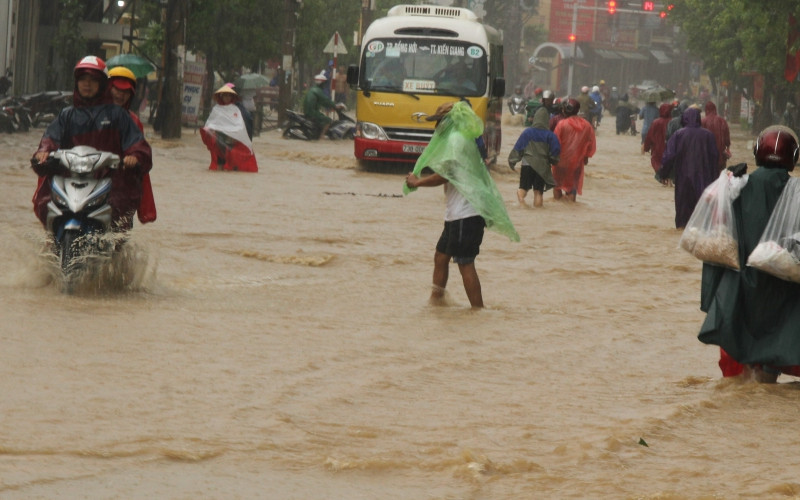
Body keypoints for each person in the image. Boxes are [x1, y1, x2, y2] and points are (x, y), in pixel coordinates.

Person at [697, 125, 800, 383]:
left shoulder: (737, 185)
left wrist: (726, 183)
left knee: (741, 372)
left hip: (741, 286)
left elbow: (716, 233)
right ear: (794, 156)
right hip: (783, 290)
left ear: (756, 152)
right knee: (771, 359)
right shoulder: (796, 192)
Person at [404, 101, 519, 308]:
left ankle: (477, 310)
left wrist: (417, 182)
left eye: (438, 122)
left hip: (465, 213)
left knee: (465, 263)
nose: (436, 126)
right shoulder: (461, 138)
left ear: (447, 122)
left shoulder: (456, 140)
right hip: (458, 213)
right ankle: (436, 301)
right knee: (441, 256)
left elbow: (444, 176)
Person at [32, 55, 152, 232]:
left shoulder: (118, 115)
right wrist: (43, 152)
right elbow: (50, 139)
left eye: (92, 80)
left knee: (118, 214)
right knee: (47, 205)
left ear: (102, 84)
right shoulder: (67, 115)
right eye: (83, 79)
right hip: (70, 180)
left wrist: (134, 157)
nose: (87, 84)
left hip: (109, 183)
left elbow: (137, 145)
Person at [107, 66, 156, 223]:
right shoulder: (89, 114)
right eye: (116, 89)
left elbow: (140, 149)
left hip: (120, 185)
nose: (120, 95)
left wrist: (134, 157)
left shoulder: (133, 121)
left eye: (125, 92)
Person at [657, 107, 718, 228]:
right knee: (703, 212)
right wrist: (716, 179)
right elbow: (715, 158)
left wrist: (663, 174)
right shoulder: (708, 136)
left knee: (683, 213)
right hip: (704, 179)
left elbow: (669, 157)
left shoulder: (678, 135)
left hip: (683, 179)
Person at [508, 101, 561, 208]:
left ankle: (522, 202)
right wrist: (552, 161)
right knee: (538, 192)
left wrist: (512, 161)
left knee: (523, 188)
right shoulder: (550, 135)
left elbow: (518, 148)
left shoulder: (527, 132)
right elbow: (555, 152)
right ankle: (538, 213)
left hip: (527, 164)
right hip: (542, 166)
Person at [199, 84, 258, 172]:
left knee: (231, 159)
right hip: (219, 137)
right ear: (221, 97)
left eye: (229, 95)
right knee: (220, 159)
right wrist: (211, 130)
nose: (227, 98)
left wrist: (235, 134)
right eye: (225, 95)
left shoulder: (235, 109)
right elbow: (211, 122)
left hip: (232, 138)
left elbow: (239, 124)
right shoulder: (217, 109)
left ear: (232, 97)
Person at [552, 98, 596, 202]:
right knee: (572, 188)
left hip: (560, 162)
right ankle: (571, 210)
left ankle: (558, 210)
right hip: (576, 163)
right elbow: (591, 144)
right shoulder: (587, 125)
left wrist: (551, 157)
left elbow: (555, 143)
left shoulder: (562, 124)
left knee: (557, 186)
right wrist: (586, 157)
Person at [302, 71, 343, 139]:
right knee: (328, 120)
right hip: (312, 112)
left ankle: (317, 133)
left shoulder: (313, 89)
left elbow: (323, 102)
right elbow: (325, 100)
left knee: (322, 118)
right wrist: (335, 106)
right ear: (321, 83)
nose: (325, 84)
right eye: (324, 83)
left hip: (309, 111)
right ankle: (322, 136)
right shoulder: (318, 91)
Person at [642, 103, 673, 176]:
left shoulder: (656, 122)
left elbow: (649, 137)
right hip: (671, 150)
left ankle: (662, 178)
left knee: (658, 166)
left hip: (657, 151)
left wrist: (646, 148)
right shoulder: (673, 122)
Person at [701, 100, 731, 171]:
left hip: (707, 156)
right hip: (720, 155)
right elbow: (727, 139)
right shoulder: (722, 121)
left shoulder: (703, 121)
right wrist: (728, 149)